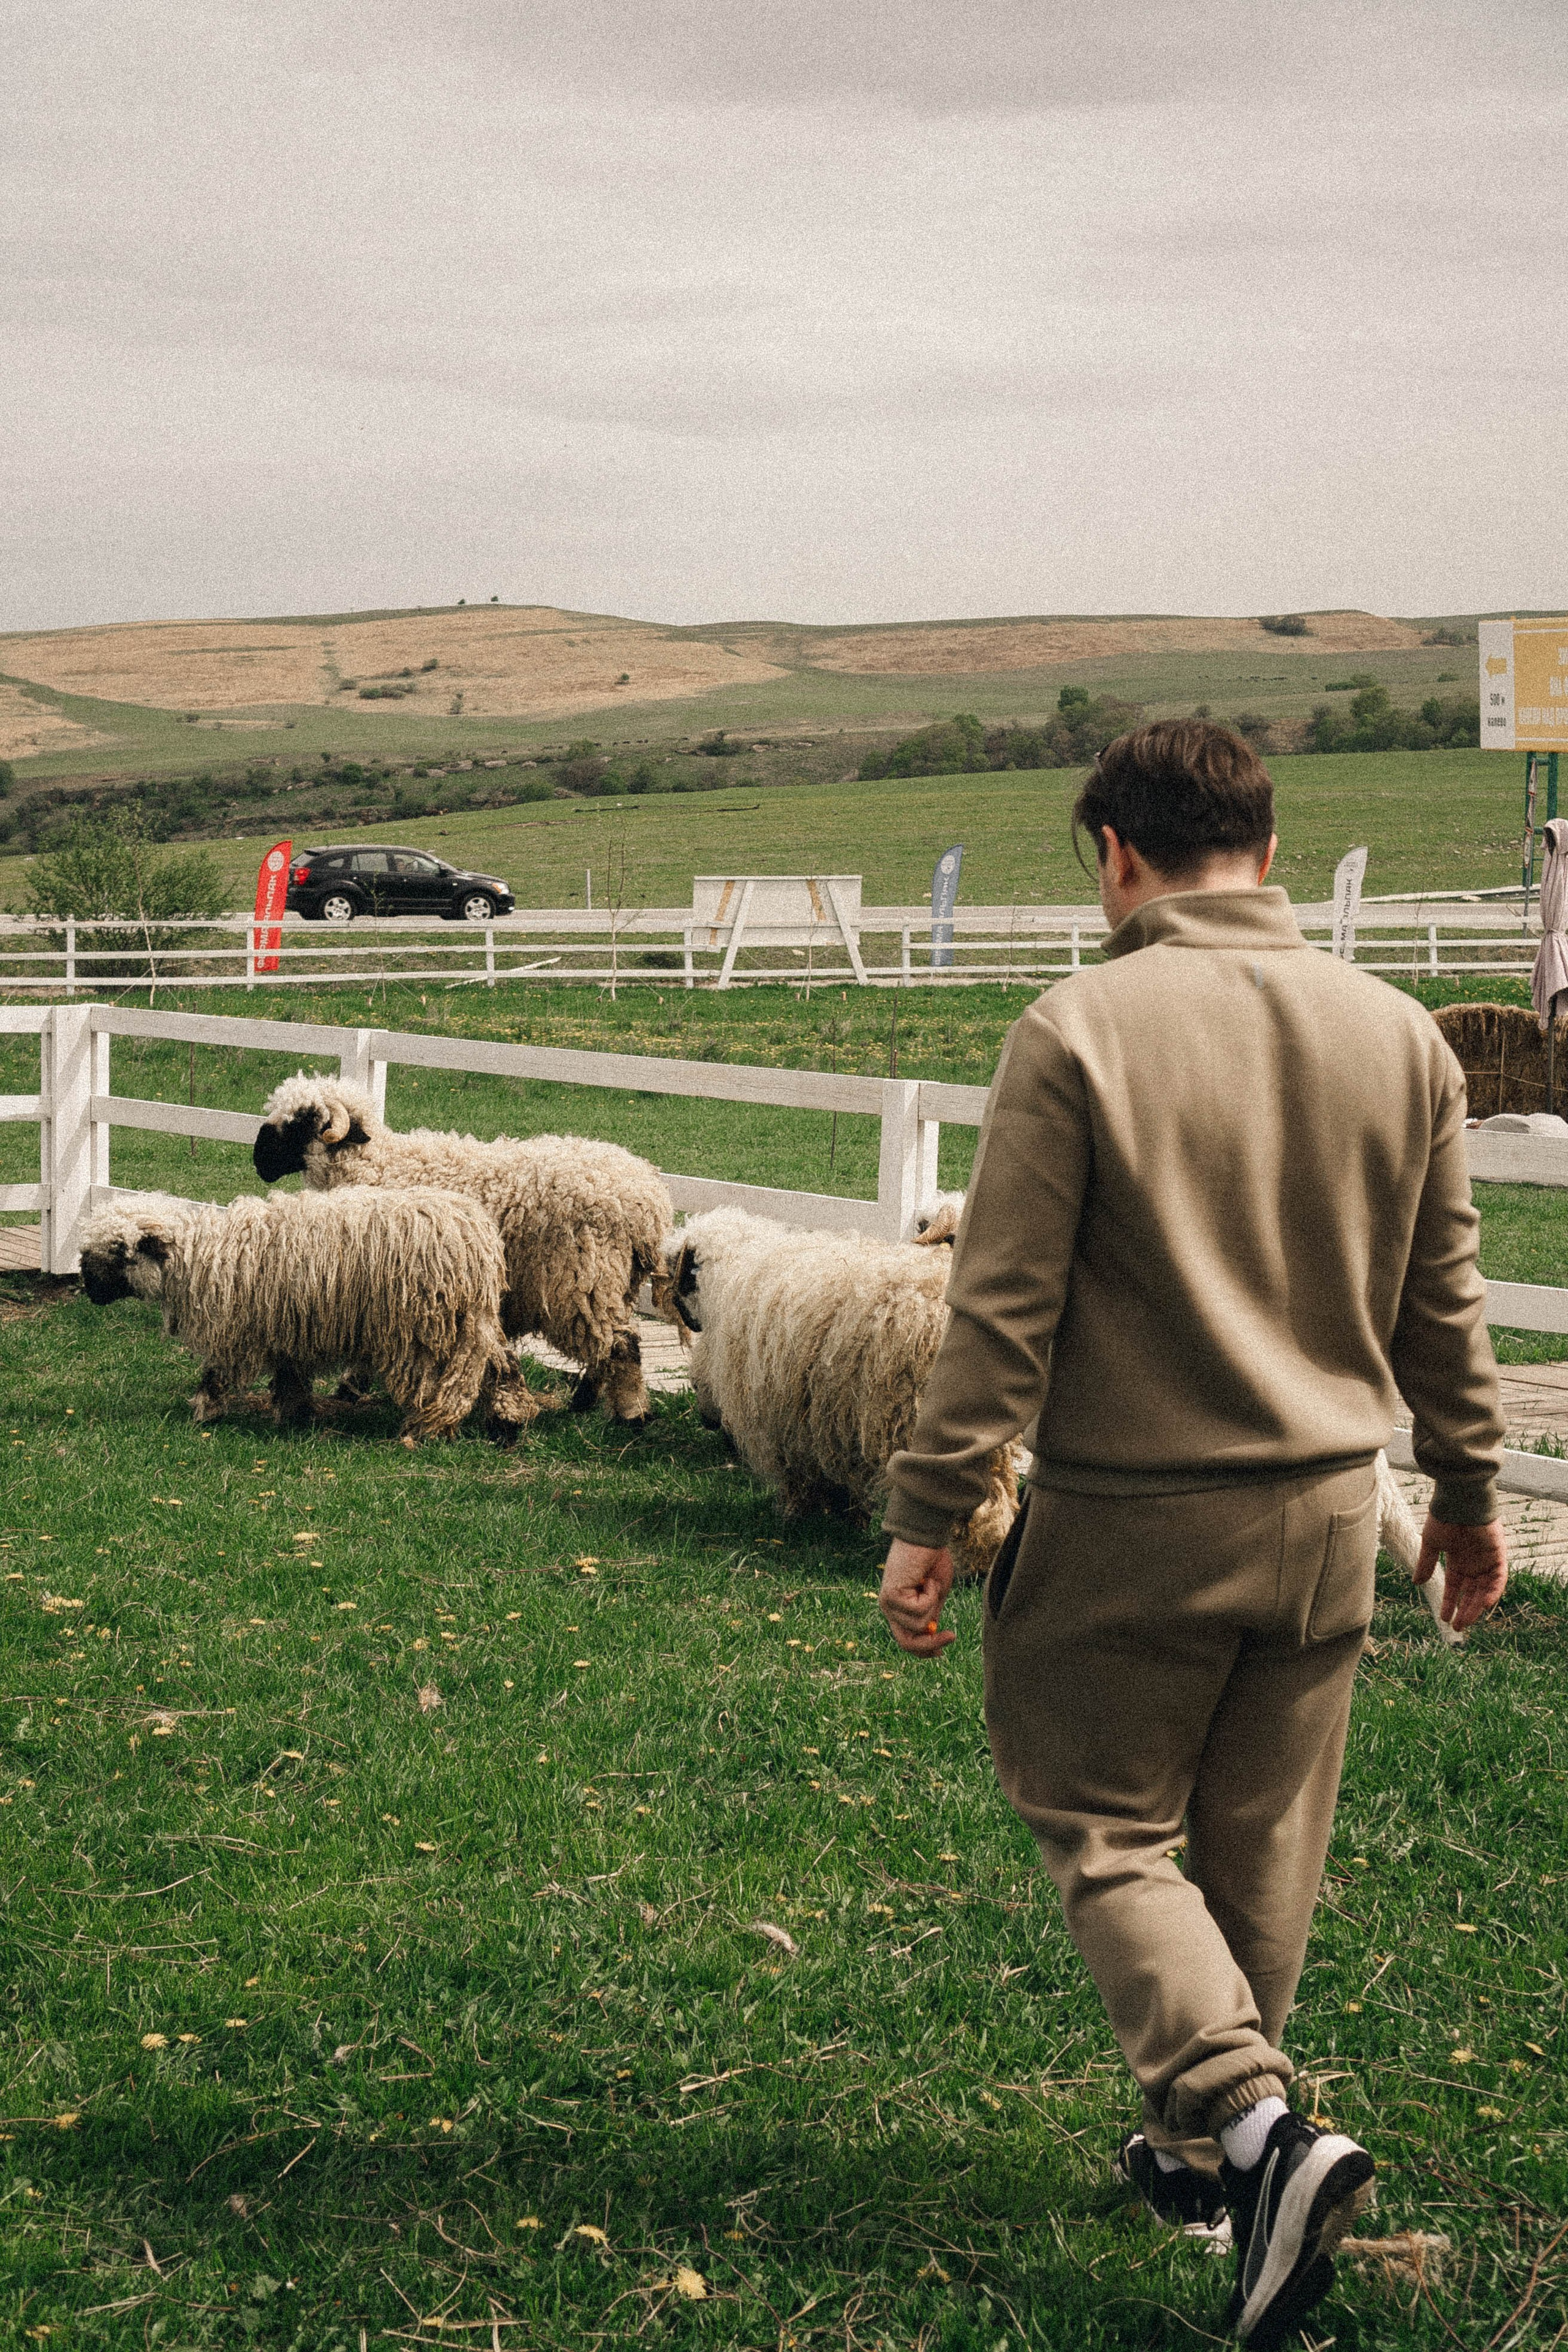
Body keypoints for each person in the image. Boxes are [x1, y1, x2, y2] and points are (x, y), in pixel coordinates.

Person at [878, 720, 1507, 2348]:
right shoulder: (1402, 1038)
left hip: (1135, 1517)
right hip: (1329, 1521)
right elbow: (1446, 1309)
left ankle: (1256, 2127)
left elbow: (1000, 1314)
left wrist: (931, 1509)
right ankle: (1202, 2164)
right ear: (1271, 847)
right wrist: (1471, 1493)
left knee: (1100, 1827)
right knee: (1258, 1854)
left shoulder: (1079, 1028)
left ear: (1116, 858)